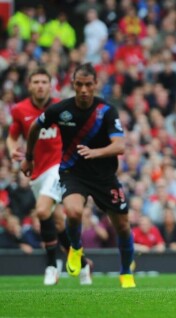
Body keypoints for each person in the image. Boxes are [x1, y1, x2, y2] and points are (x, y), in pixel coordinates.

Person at [21, 63, 135, 288]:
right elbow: (35, 126)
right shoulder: (60, 110)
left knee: (122, 226)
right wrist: (29, 156)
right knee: (73, 211)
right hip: (73, 173)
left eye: (88, 85)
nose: (83, 89)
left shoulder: (106, 111)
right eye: (79, 84)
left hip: (104, 176)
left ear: (95, 85)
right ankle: (75, 247)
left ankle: (125, 273)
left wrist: (96, 152)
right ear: (73, 84)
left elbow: (120, 146)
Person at [7, 67, 92, 286]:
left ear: (50, 84)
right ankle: (82, 264)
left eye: (44, 81)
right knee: (57, 222)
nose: (40, 86)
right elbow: (12, 136)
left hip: (59, 167)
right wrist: (11, 149)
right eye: (36, 82)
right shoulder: (19, 109)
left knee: (42, 210)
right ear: (29, 85)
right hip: (36, 171)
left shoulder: (61, 108)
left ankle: (52, 266)